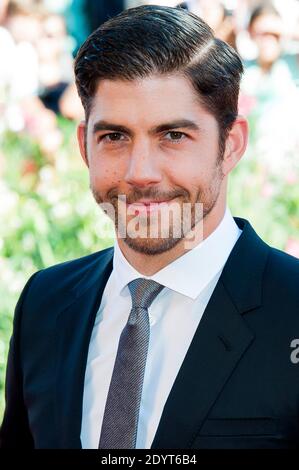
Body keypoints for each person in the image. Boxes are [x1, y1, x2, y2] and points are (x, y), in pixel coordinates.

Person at [0, 4, 299, 450]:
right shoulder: (46, 303)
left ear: (231, 145)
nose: (141, 173)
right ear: (84, 147)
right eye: (114, 137)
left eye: (173, 136)